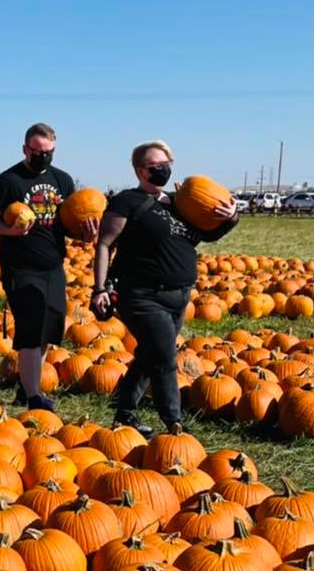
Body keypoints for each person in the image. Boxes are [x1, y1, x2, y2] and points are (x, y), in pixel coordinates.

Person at [92, 141, 238, 436]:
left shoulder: (178, 203)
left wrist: (231, 218)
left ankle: (124, 415)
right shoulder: (127, 201)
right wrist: (99, 288)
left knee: (150, 354)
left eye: (166, 163)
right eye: (155, 166)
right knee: (164, 357)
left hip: (179, 294)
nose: (163, 169)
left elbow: (204, 236)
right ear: (140, 170)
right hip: (142, 294)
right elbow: (105, 243)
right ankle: (175, 424)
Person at [0, 122, 96, 412]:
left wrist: (86, 235)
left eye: (48, 152)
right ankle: (34, 396)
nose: (42, 156)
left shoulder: (64, 181)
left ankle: (25, 385)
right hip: (20, 266)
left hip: (53, 265)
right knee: (31, 327)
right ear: (25, 149)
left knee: (48, 328)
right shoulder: (8, 181)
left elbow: (68, 222)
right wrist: (10, 231)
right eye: (36, 151)